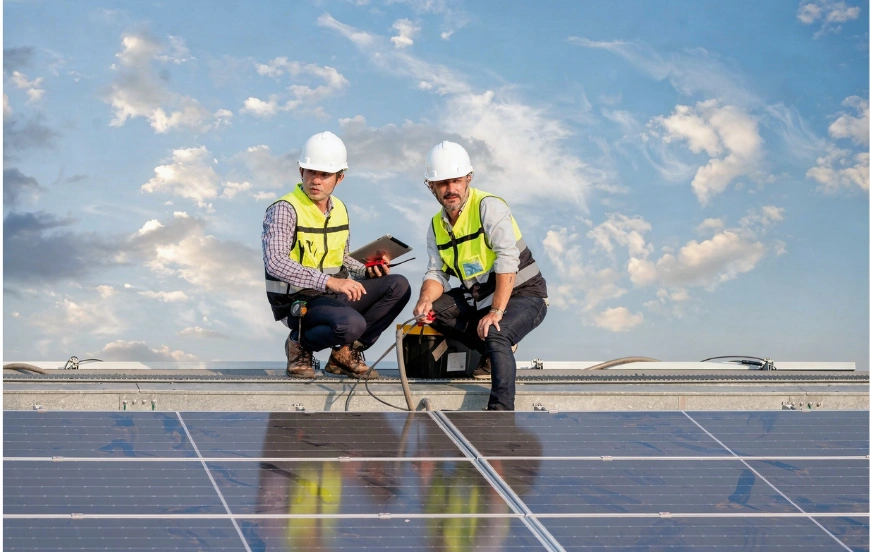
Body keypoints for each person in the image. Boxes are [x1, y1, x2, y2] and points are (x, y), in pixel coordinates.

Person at [263, 131, 411, 379]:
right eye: (311, 172)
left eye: (325, 174)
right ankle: (298, 342)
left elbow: (342, 257)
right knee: (351, 324)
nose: (316, 181)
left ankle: (344, 354)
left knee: (398, 285)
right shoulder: (284, 209)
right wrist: (329, 282)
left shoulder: (340, 209)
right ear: (301, 171)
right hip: (298, 302)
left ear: (339, 178)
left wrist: (366, 270)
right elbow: (275, 262)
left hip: (331, 295)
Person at [412, 141, 548, 411]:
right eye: (442, 183)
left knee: (496, 332)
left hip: (524, 294)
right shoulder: (436, 225)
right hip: (480, 298)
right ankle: (496, 352)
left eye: (456, 181)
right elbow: (436, 272)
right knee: (435, 313)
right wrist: (425, 299)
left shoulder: (489, 207)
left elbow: (508, 259)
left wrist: (497, 311)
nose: (451, 189)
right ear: (431, 186)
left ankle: (499, 413)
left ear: (468, 179)